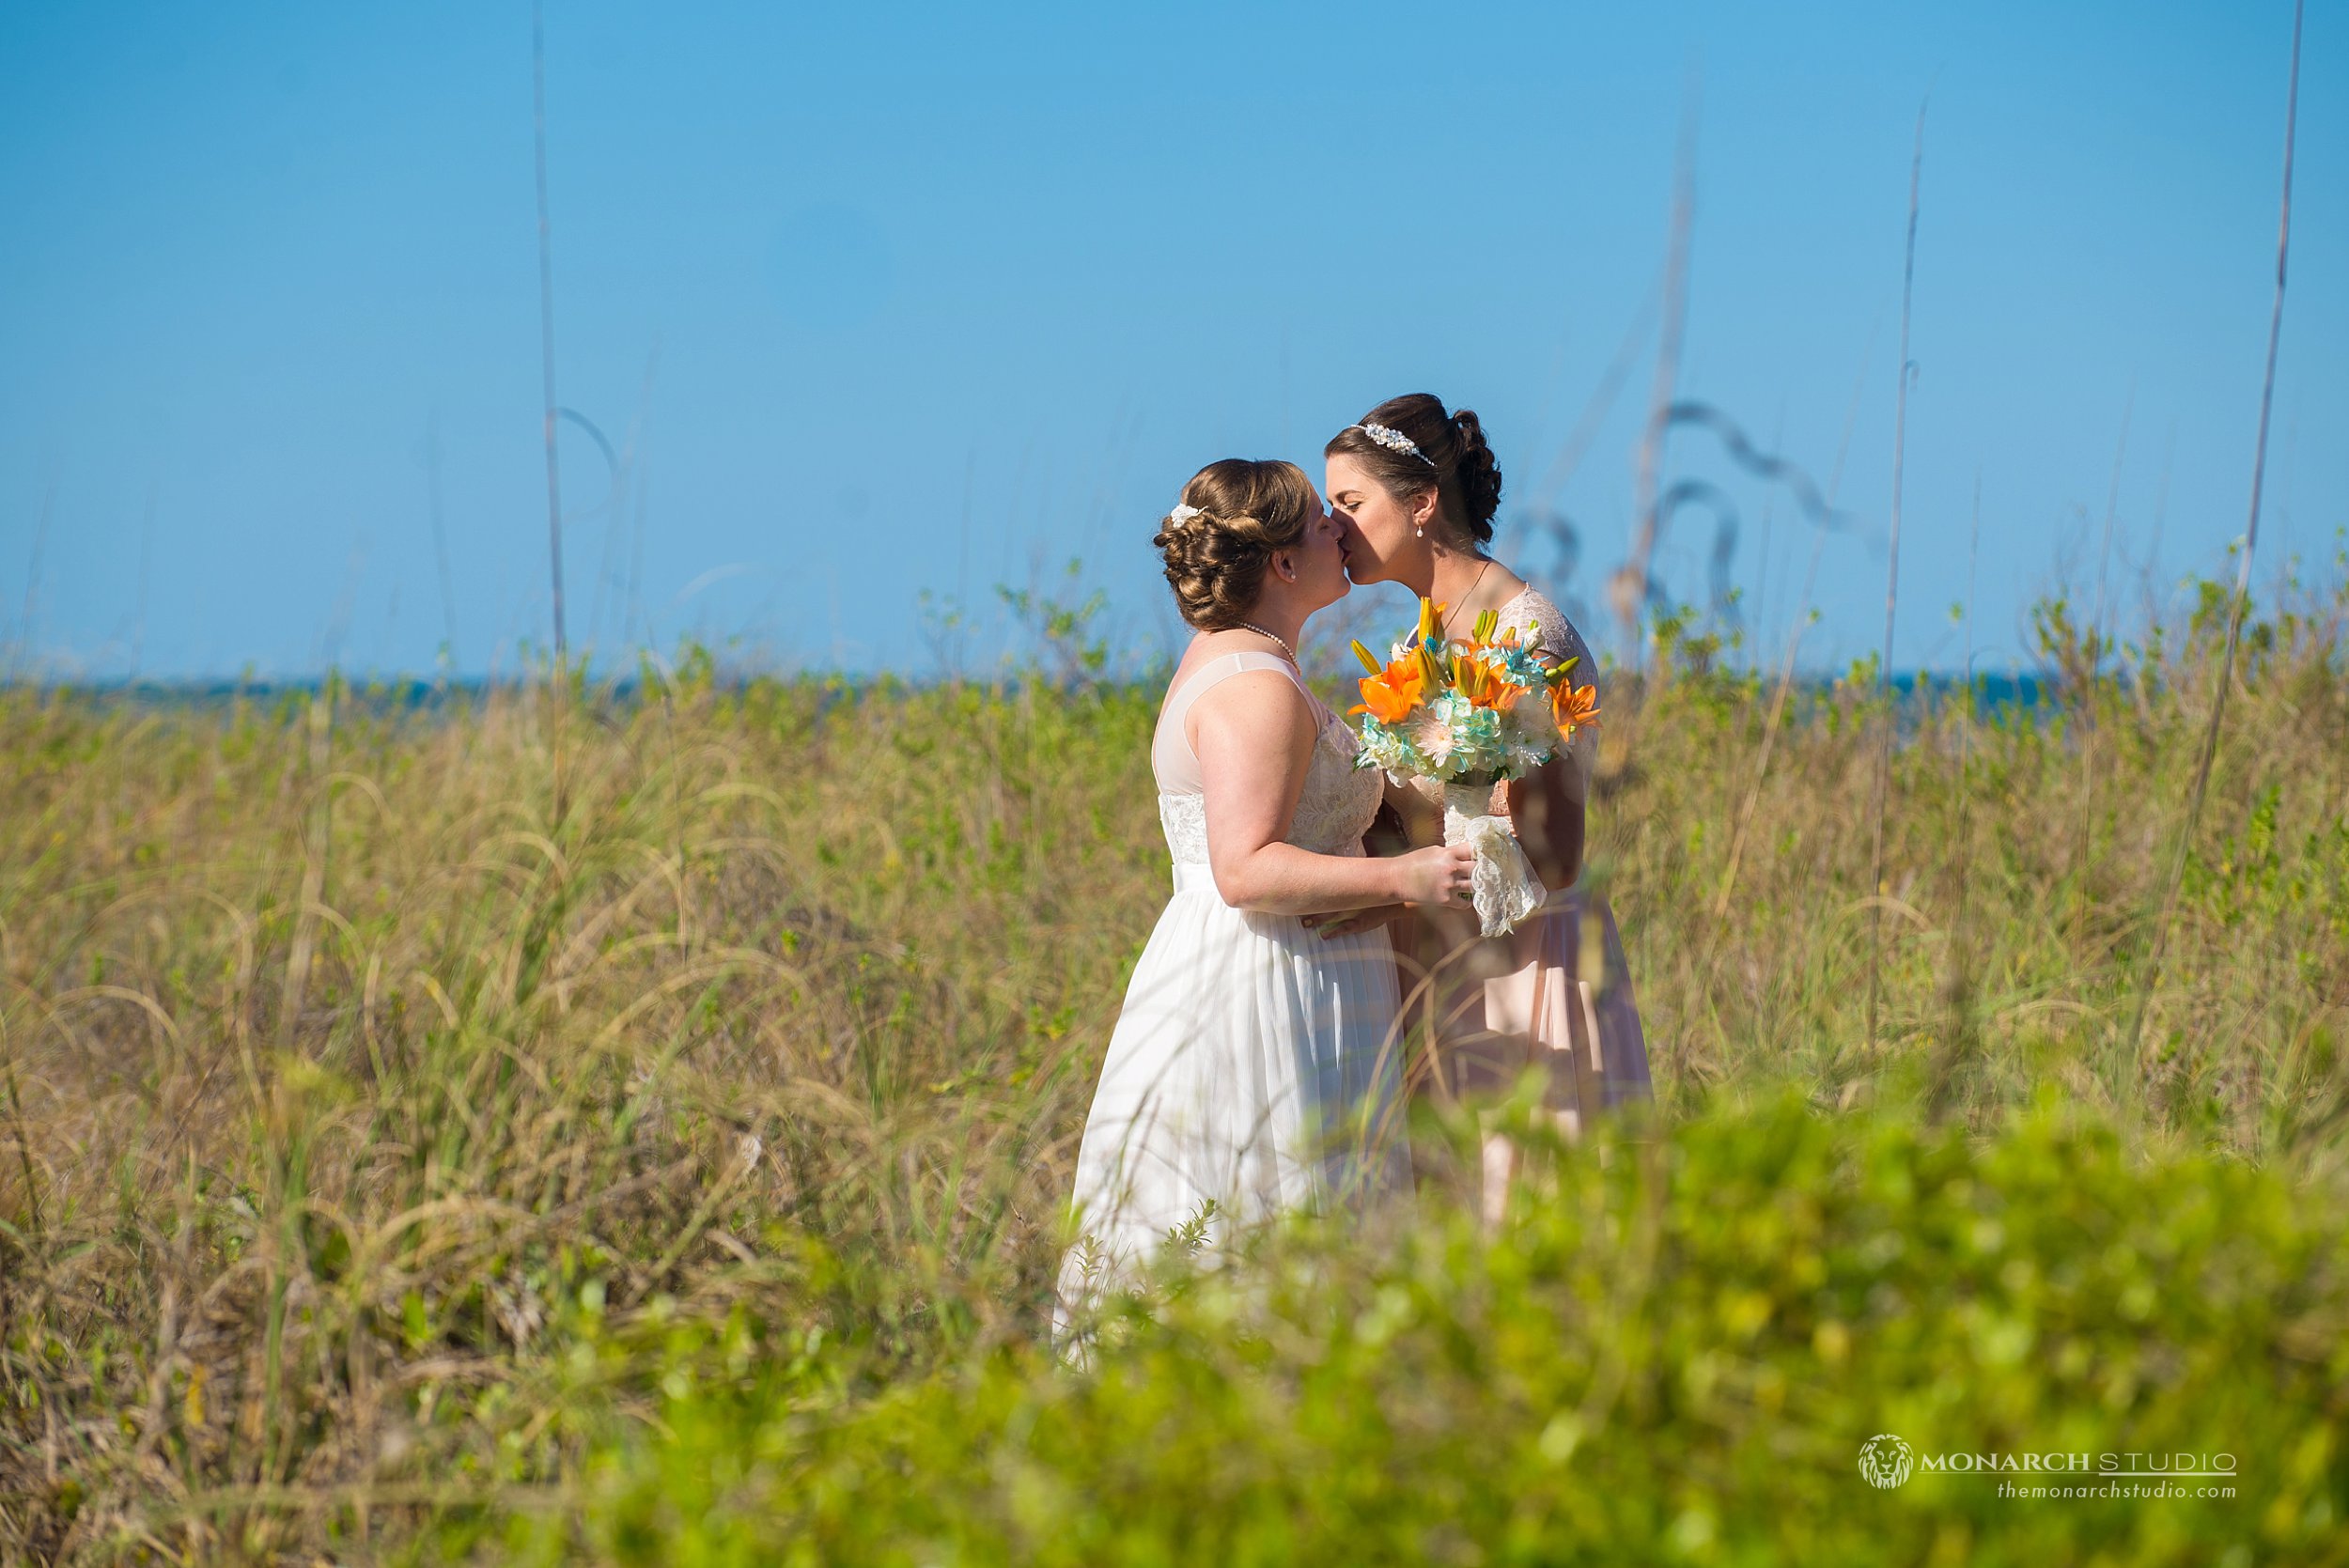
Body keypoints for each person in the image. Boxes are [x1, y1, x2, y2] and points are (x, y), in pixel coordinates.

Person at [1051, 458, 1477, 1355]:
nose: (1339, 530)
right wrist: (1408, 878)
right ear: (1281, 562)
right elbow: (1245, 866)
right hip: (1272, 980)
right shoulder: (1254, 687)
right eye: (1322, 521)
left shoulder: (1246, 663)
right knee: (1268, 1220)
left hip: (1282, 962)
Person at [1306, 394, 1653, 1225]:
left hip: (1529, 963)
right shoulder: (1422, 639)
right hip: (1446, 958)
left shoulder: (1527, 635)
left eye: (1349, 503)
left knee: (1534, 1226)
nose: (1332, 526)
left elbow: (1560, 853)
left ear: (1422, 503)